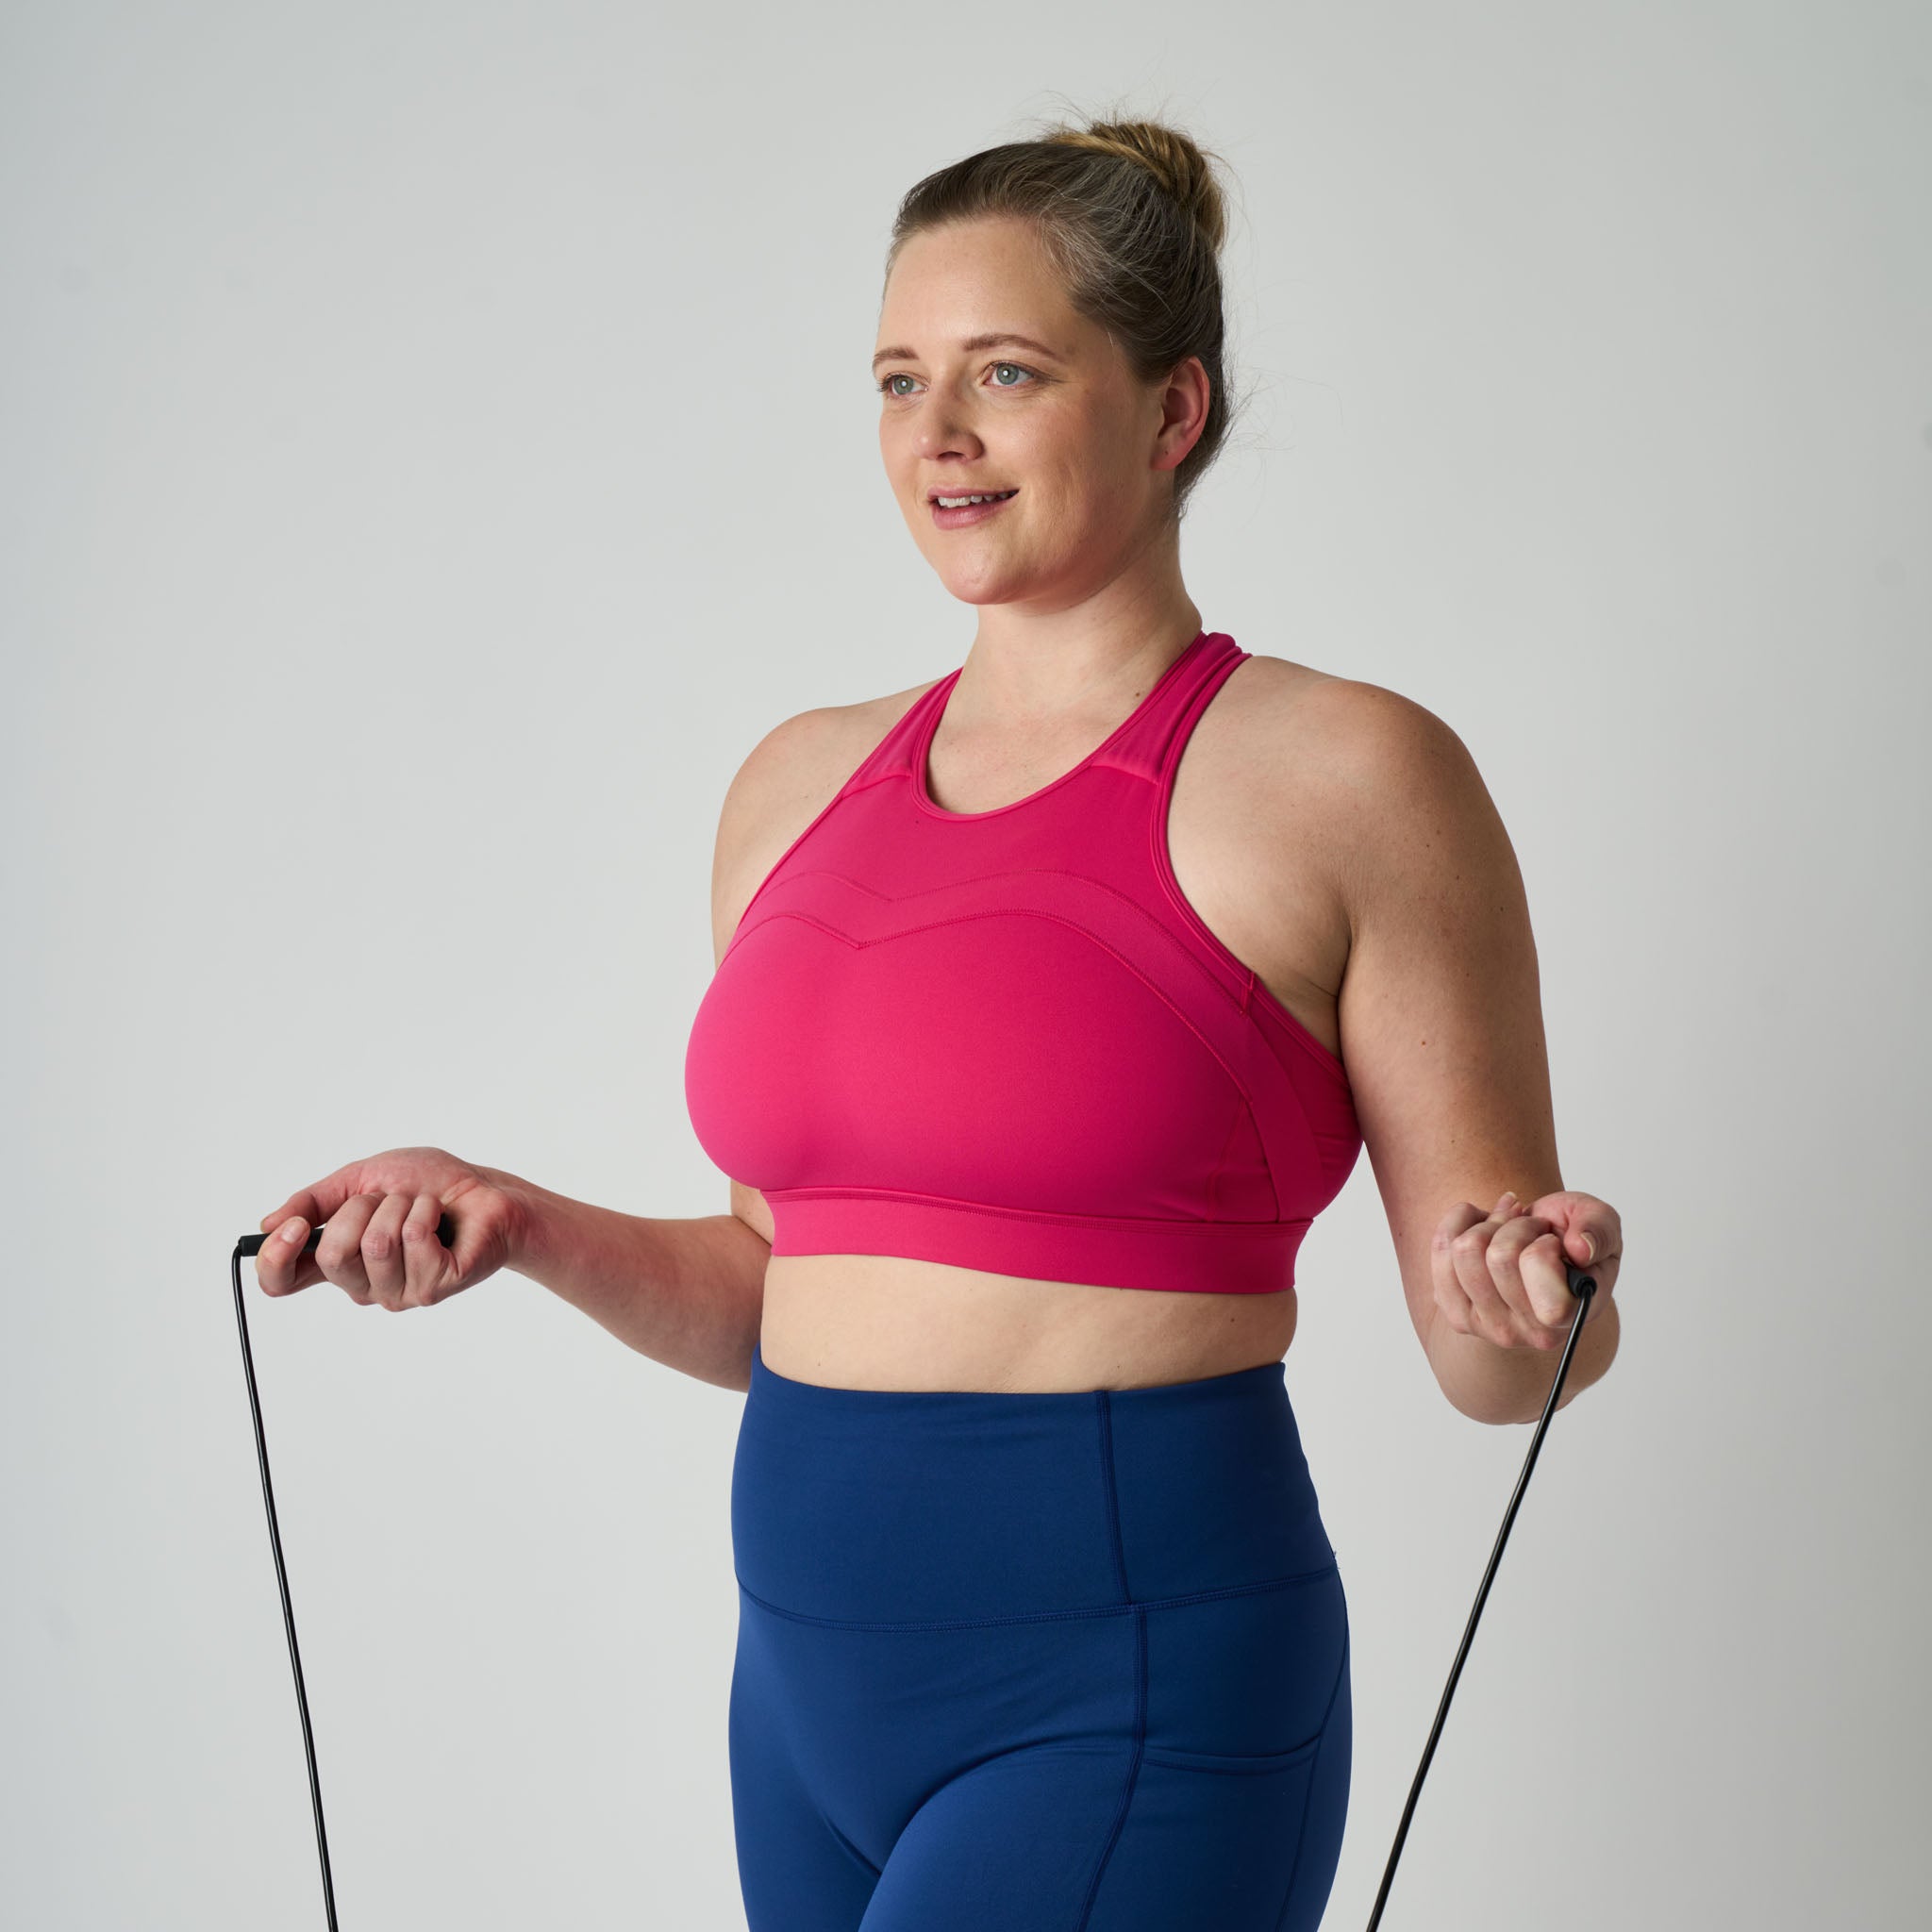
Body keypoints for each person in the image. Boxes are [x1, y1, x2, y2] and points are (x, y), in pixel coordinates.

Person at [255, 111, 1624, 1932]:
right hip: (804, 1710)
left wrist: (1526, 1292)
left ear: (1172, 409)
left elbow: (1505, 1362)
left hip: (1135, 1707)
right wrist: (517, 1223)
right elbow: (781, 1280)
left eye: (1007, 372)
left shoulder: (1349, 773)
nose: (939, 435)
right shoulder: (794, 789)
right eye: (901, 378)